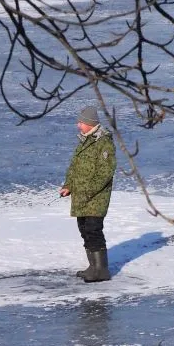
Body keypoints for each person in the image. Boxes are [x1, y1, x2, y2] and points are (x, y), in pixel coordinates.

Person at [60, 105, 116, 282]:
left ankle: (101, 270)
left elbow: (106, 172)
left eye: (81, 122)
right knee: (84, 230)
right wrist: (68, 185)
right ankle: (93, 267)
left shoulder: (104, 142)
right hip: (81, 197)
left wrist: (89, 191)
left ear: (90, 123)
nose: (78, 125)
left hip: (95, 198)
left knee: (93, 230)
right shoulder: (84, 141)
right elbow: (74, 167)